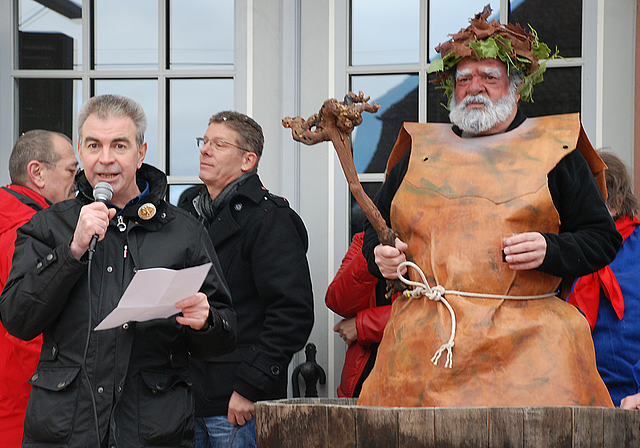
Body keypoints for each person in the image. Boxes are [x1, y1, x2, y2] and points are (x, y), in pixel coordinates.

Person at [358, 7, 621, 408]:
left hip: (530, 354)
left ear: (514, 87)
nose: (474, 88)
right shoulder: (417, 152)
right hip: (425, 354)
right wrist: (383, 260)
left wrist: (552, 250)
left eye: (489, 78)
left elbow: (602, 238)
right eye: (464, 79)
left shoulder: (557, 150)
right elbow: (375, 241)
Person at [0, 94, 237, 448]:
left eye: (119, 145)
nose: (105, 158)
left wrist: (206, 321)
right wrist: (72, 250)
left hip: (154, 431)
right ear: (80, 150)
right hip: (64, 432)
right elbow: (17, 317)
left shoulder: (184, 231)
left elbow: (225, 334)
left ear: (141, 153)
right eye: (94, 144)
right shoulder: (48, 226)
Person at [178, 110, 314, 447]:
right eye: (204, 141)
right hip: (183, 400)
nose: (205, 150)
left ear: (247, 160)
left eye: (219, 144)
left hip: (236, 404)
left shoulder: (271, 219)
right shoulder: (187, 212)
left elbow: (292, 314)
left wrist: (250, 387)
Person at [0, 130, 78, 448]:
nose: (78, 181)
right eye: (71, 170)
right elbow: (27, 329)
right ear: (38, 173)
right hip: (23, 399)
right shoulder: (27, 234)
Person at [568, 151, 640, 408]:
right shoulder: (562, 249)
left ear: (617, 203)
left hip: (631, 402)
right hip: (575, 403)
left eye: (591, 199)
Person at [325, 231, 393, 398]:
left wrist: (362, 325)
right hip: (360, 386)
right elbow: (337, 302)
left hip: (412, 385)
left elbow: (432, 312)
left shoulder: (429, 242)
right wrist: (373, 251)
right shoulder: (364, 239)